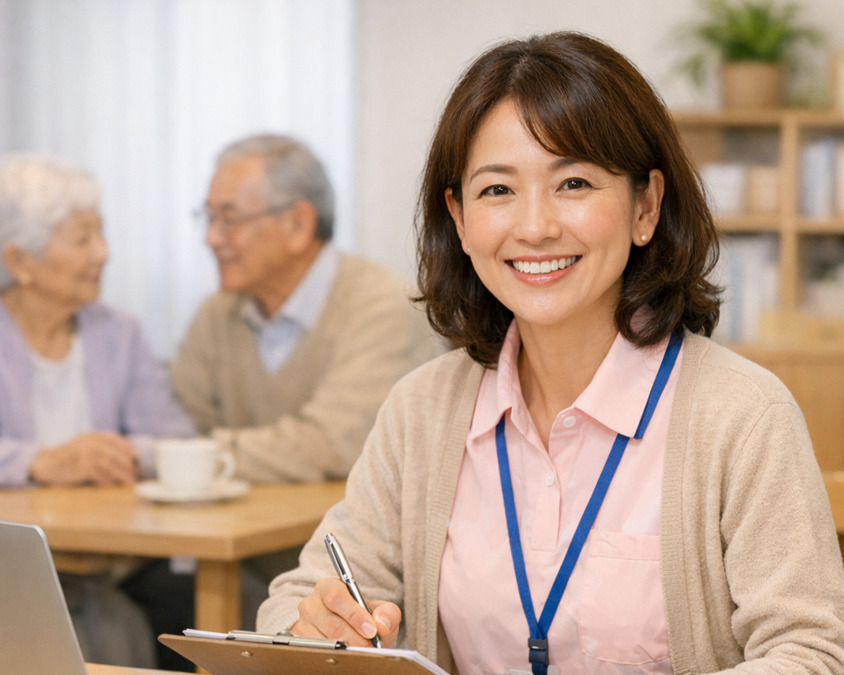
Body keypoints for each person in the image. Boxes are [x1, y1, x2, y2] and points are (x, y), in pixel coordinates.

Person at [255, 32, 844, 674]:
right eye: (497, 191)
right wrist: (315, 626)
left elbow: (810, 652)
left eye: (573, 183)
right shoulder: (421, 410)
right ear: (459, 218)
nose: (535, 227)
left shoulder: (742, 415)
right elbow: (294, 602)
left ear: (645, 206)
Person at [0, 153, 196, 668]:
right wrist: (39, 462)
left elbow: (175, 439)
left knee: (186, 602)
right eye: (82, 238)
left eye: (101, 233)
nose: (102, 253)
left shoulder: (118, 333)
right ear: (19, 261)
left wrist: (121, 453)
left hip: (113, 560)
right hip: (12, 563)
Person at [170, 133, 440, 485]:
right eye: (208, 218)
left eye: (229, 219)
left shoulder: (383, 306)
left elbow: (333, 447)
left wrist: (202, 456)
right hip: (240, 521)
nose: (211, 238)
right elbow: (175, 429)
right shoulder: (216, 313)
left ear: (298, 224)